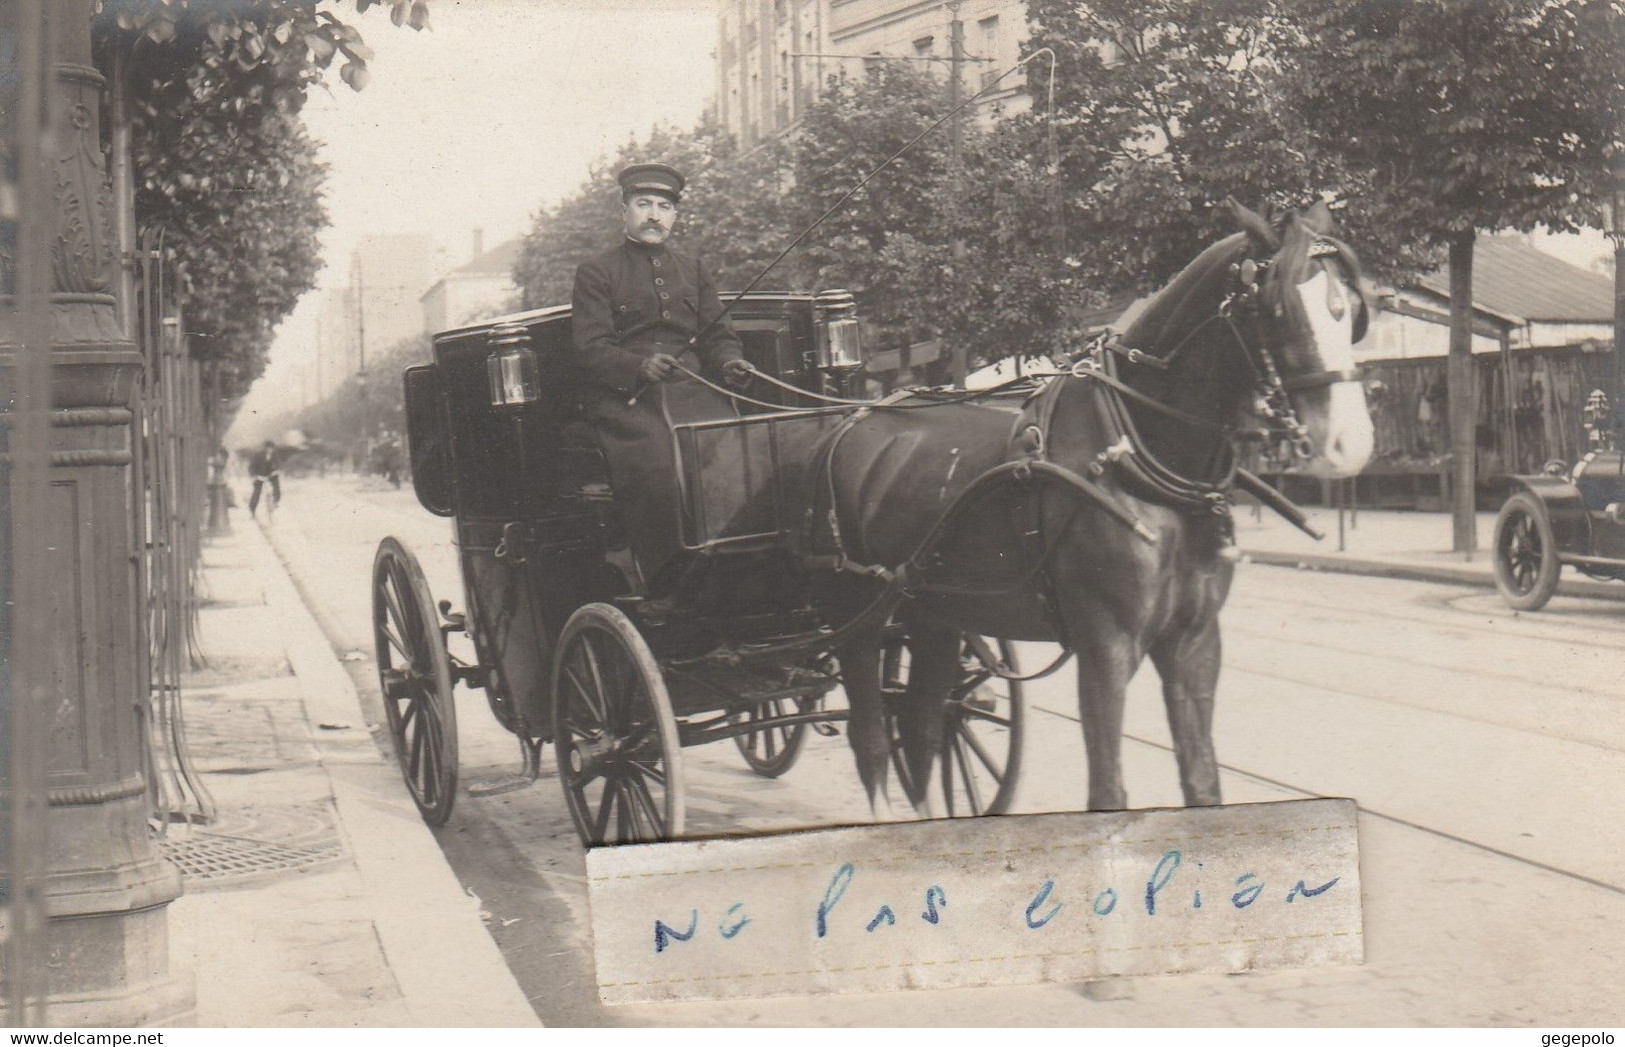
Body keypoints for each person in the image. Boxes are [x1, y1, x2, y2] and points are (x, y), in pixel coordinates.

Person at [570, 161, 753, 590]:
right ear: (625, 211)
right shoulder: (597, 270)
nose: (654, 214)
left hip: (695, 393)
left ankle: (742, 572)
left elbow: (718, 335)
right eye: (644, 203)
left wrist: (730, 363)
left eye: (664, 206)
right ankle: (668, 581)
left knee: (744, 453)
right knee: (660, 465)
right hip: (627, 404)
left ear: (675, 215)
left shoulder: (694, 268)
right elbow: (589, 348)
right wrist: (638, 366)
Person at [247, 439, 281, 518]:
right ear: (265, 448)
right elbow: (251, 466)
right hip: (259, 476)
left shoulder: (274, 455)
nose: (270, 450)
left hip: (270, 476)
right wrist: (253, 475)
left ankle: (275, 501)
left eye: (271, 448)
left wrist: (275, 471)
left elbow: (277, 464)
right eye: (268, 448)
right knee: (256, 493)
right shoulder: (259, 455)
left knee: (276, 486)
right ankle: (252, 510)